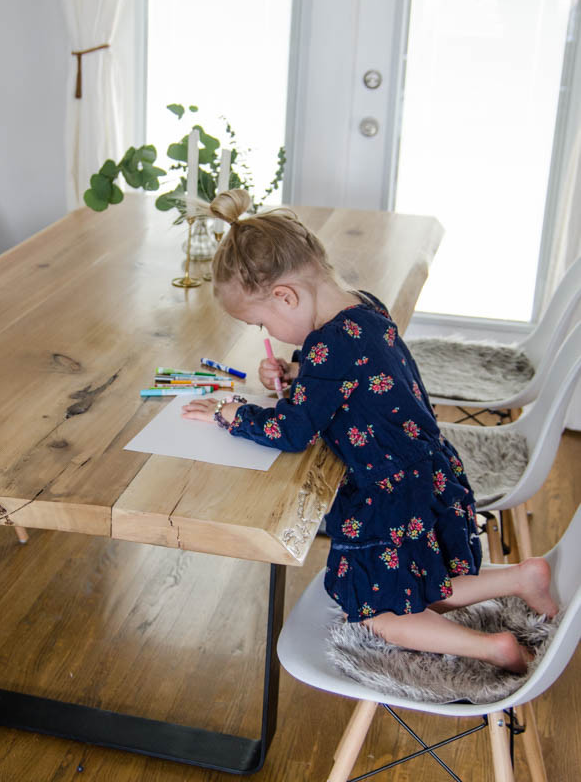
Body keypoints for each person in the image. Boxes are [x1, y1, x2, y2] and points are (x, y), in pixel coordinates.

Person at [182, 190, 557, 674]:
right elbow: (356, 379)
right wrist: (299, 377)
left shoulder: (326, 350)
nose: (265, 333)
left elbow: (294, 430)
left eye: (261, 322)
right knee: (420, 584)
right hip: (427, 472)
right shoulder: (364, 308)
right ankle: (524, 576)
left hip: (387, 494)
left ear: (285, 297)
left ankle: (494, 648)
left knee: (377, 614)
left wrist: (232, 412)